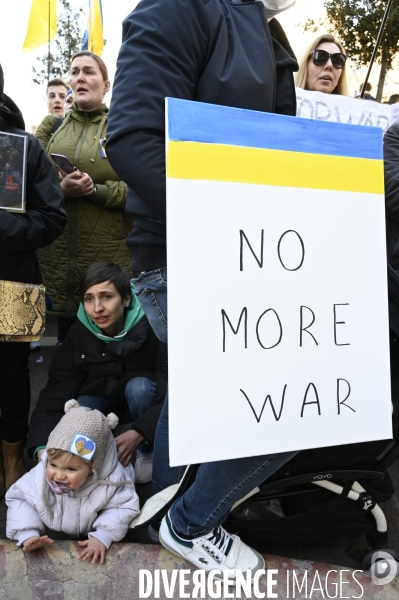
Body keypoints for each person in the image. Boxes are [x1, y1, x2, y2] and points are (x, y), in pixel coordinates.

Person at [107, 0, 299, 578]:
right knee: (291, 398)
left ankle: (168, 532)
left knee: (192, 404)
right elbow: (134, 138)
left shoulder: (267, 27)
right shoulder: (179, 5)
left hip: (250, 254)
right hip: (190, 255)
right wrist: (239, 225)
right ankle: (190, 523)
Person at [27, 261, 167, 484]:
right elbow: (56, 390)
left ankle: (146, 450)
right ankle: (94, 458)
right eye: (89, 298)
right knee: (77, 410)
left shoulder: (153, 324)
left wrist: (141, 432)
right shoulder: (79, 332)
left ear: (127, 298)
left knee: (139, 387)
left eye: (107, 297)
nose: (97, 308)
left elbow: (171, 390)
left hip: (142, 398)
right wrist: (41, 447)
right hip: (101, 392)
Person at [0, 64, 66, 495]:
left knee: (11, 375)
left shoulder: (20, 147)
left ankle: (12, 459)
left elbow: (53, 217)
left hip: (17, 285)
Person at [35, 51, 132, 336]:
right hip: (56, 259)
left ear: (106, 85)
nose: (79, 77)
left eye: (89, 71)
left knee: (105, 354)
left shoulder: (121, 128)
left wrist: (95, 192)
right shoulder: (52, 126)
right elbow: (26, 183)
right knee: (64, 352)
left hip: (106, 261)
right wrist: (59, 190)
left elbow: (140, 189)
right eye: (74, 72)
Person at [6, 400, 140, 563]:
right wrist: (27, 534)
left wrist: (103, 535)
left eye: (71, 469)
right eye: (53, 465)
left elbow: (123, 507)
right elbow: (20, 499)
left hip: (92, 523)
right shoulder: (40, 474)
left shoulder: (111, 482)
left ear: (92, 468)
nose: (59, 476)